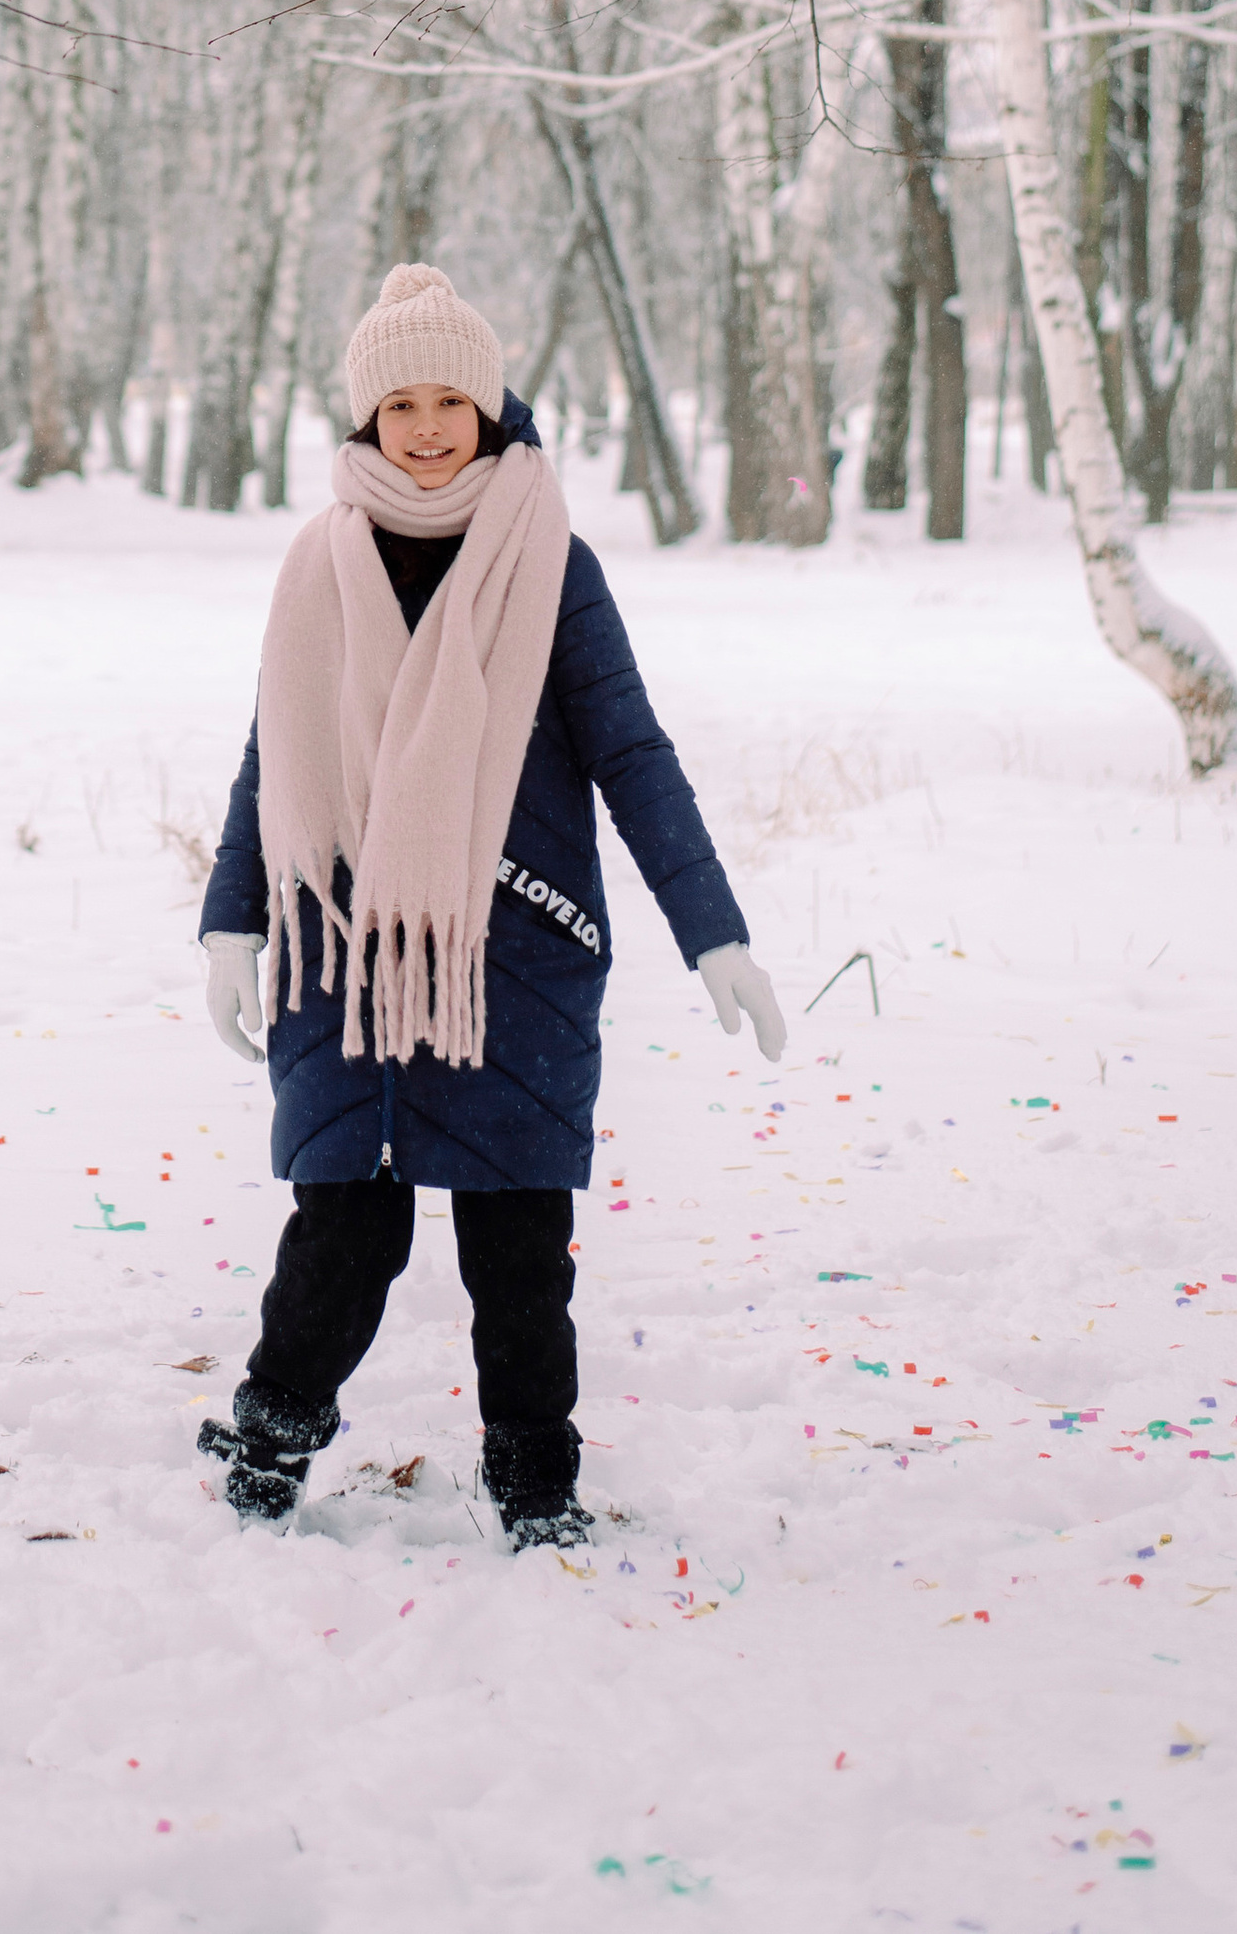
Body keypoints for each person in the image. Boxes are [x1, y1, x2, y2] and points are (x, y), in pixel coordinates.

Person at [194, 262, 785, 1551]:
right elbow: (270, 758)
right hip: (345, 955)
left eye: (448, 397)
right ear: (363, 418)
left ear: (488, 402)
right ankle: (267, 1442)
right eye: (396, 401)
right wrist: (231, 918)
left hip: (508, 962)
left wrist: (714, 930)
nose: (423, 425)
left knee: (520, 1260)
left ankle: (535, 1487)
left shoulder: (546, 559)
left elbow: (631, 751)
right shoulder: (318, 566)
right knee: (343, 1232)